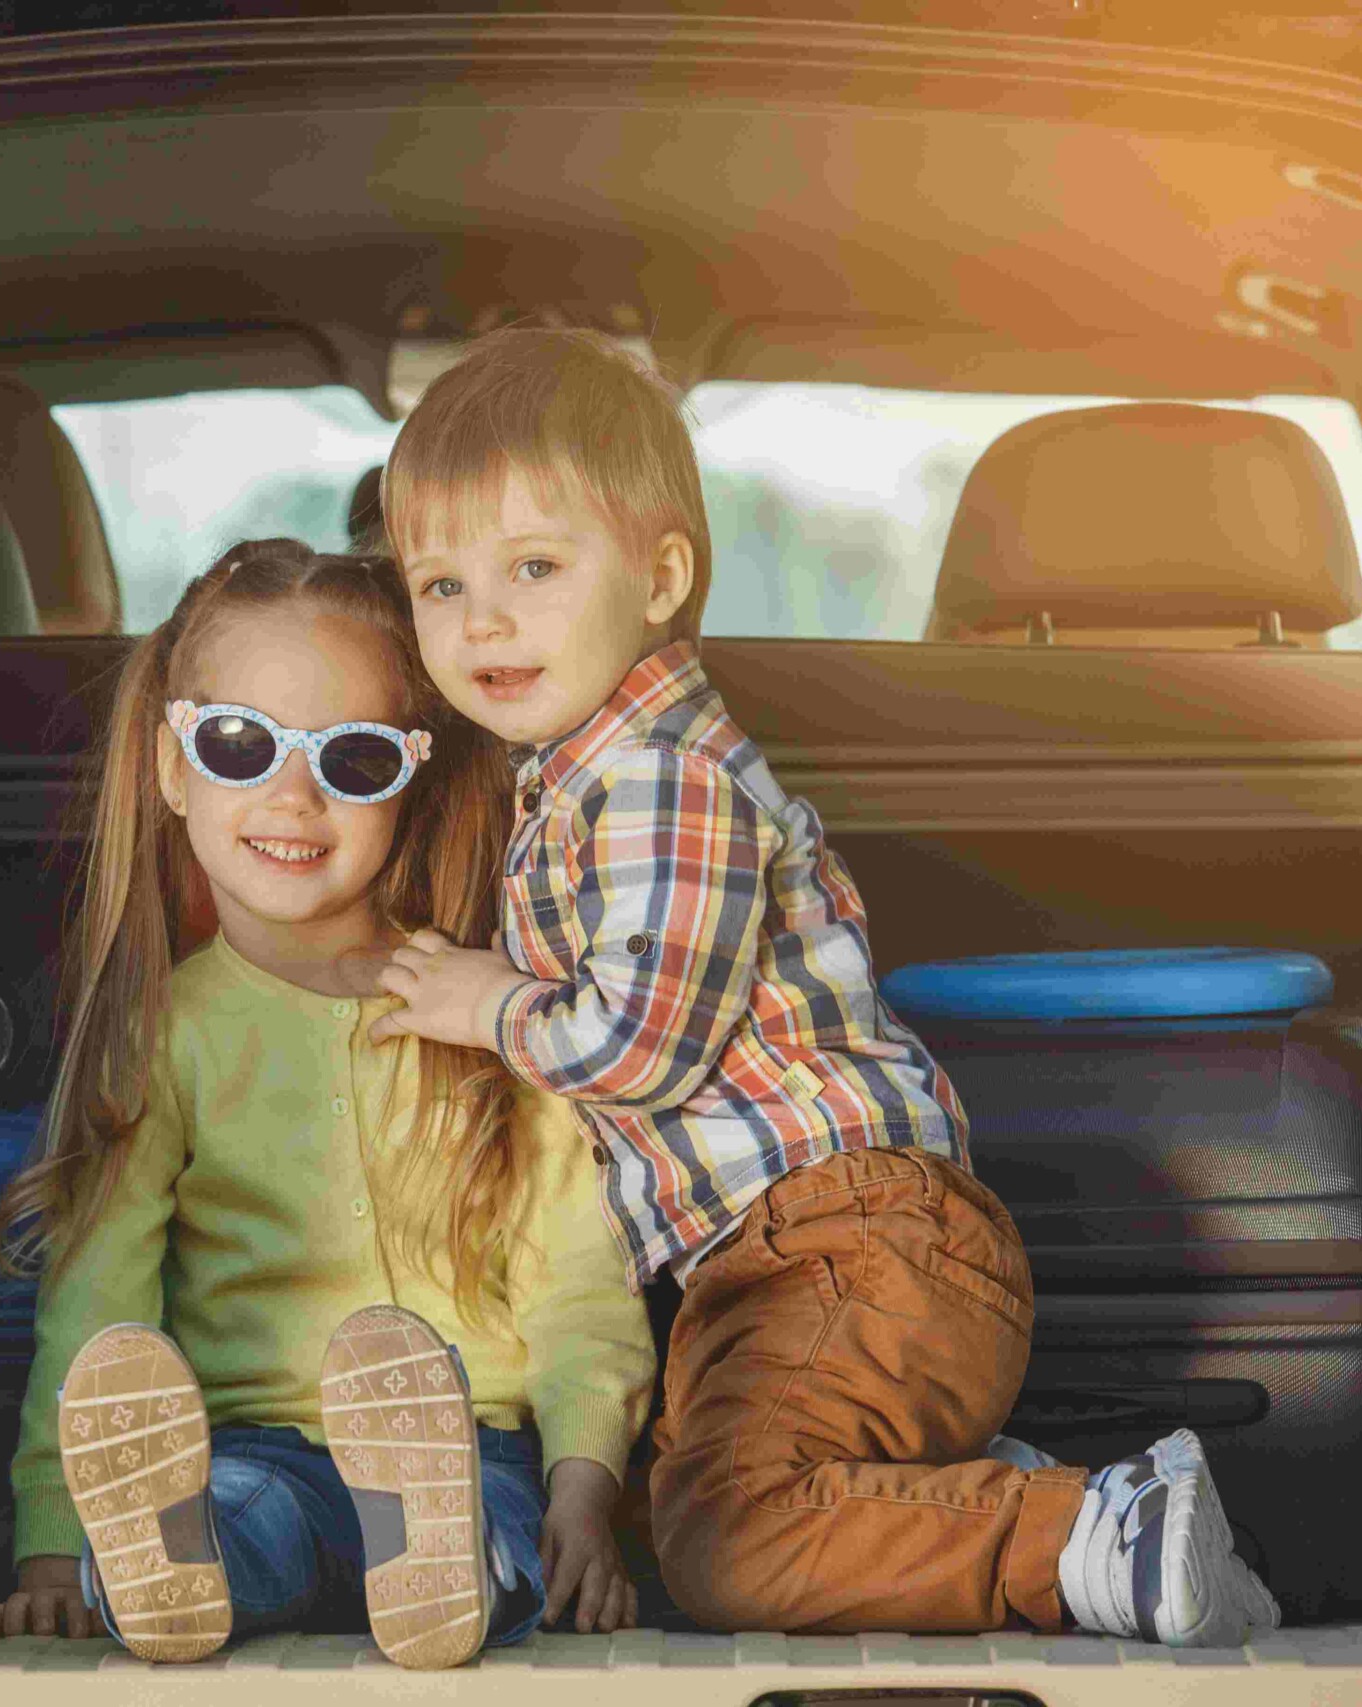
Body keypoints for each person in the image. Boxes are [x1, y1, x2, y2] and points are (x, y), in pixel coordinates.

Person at [368, 330, 1282, 1648]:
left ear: (663, 573)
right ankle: (1026, 1512)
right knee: (675, 1515)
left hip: (846, 1245)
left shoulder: (658, 780)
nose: (483, 619)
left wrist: (482, 997)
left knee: (731, 1535)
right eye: (439, 583)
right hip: (808, 1261)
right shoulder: (570, 780)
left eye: (534, 567)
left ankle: (1089, 1525)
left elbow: (635, 1048)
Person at [0, 538, 655, 1669]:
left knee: (494, 1533)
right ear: (173, 767)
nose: (292, 796)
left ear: (411, 782)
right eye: (240, 745)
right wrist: (50, 1546)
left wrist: (585, 1489)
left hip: (473, 1447)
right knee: (233, 1527)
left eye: (350, 758)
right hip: (248, 1452)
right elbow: (96, 1302)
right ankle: (157, 1561)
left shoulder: (487, 1010)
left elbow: (576, 1282)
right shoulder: (163, 1034)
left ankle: (449, 1567)